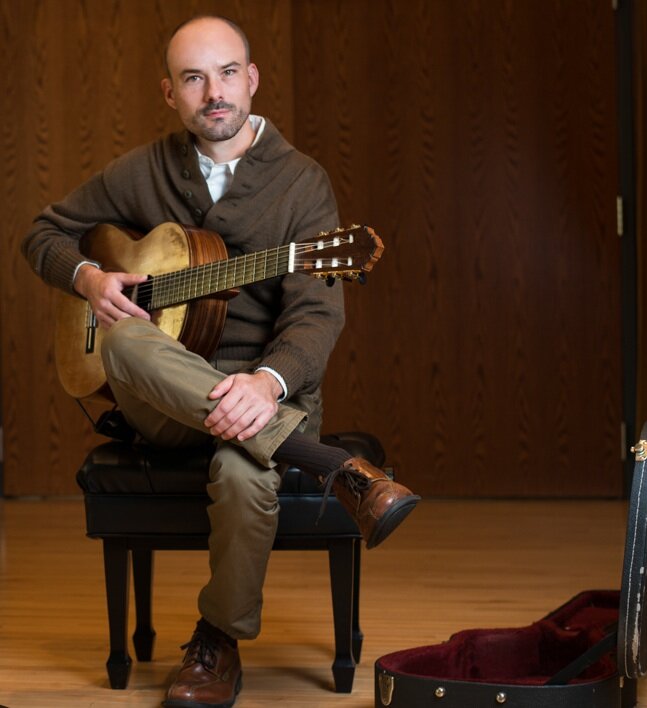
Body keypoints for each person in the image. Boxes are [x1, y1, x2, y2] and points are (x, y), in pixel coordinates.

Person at [22, 14, 420, 708]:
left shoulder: (301, 183)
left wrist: (266, 382)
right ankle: (332, 468)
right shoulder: (143, 169)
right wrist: (88, 279)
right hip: (163, 393)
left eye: (227, 72)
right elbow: (41, 232)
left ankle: (217, 645)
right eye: (193, 77)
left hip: (275, 392)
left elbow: (315, 313)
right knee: (119, 339)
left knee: (243, 471)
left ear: (252, 80)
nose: (214, 92)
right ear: (168, 92)